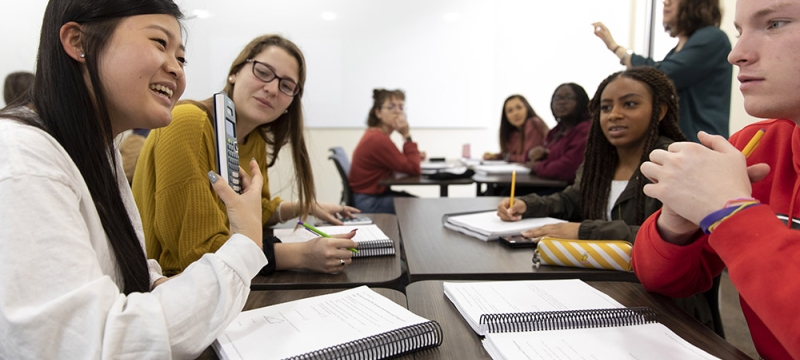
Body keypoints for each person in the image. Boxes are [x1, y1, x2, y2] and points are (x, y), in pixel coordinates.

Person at [0, 0, 269, 357]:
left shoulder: (97, 150)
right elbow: (95, 344)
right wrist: (247, 242)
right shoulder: (23, 161)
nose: (176, 70)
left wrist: (157, 283)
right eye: (159, 43)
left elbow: (121, 268)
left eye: (182, 58)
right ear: (79, 42)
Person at [632, 0, 800, 357]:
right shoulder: (753, 147)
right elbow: (662, 278)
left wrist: (731, 215)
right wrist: (675, 224)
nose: (736, 54)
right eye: (739, 32)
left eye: (775, 24)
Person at [133, 34, 359, 277]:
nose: (271, 89)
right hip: (169, 289)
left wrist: (305, 207)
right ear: (235, 72)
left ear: (289, 105)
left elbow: (250, 211)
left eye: (286, 86)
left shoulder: (254, 138)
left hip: (224, 285)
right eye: (263, 72)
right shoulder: (188, 123)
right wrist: (300, 254)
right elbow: (195, 253)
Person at [497, 67, 686, 243]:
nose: (614, 115)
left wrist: (584, 231)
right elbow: (571, 200)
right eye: (605, 108)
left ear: (659, 111)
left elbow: (667, 236)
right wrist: (526, 205)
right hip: (596, 268)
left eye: (629, 104)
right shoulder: (600, 160)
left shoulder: (675, 164)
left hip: (643, 277)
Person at [592, 0, 732, 143]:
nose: (665, 2)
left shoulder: (713, 38)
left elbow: (661, 75)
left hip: (701, 146)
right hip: (679, 146)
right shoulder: (676, 51)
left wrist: (616, 48)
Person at [349, 89, 425, 214]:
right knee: (419, 206)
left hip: (368, 196)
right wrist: (406, 135)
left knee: (417, 203)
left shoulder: (376, 134)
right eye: (391, 107)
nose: (398, 111)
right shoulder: (378, 139)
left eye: (401, 107)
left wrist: (414, 156)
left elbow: (401, 162)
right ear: (378, 112)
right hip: (368, 201)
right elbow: (413, 168)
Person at [527, 83, 592, 184]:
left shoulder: (586, 130)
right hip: (550, 184)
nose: (562, 102)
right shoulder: (556, 131)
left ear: (581, 101)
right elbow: (535, 157)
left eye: (569, 98)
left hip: (571, 191)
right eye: (557, 98)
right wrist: (534, 154)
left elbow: (567, 168)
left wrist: (536, 166)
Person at [483, 94, 549, 163]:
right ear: (506, 116)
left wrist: (507, 156)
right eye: (510, 111)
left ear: (527, 108)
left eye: (519, 108)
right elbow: (511, 154)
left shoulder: (533, 123)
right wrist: (496, 156)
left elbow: (527, 158)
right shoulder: (514, 132)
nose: (515, 113)